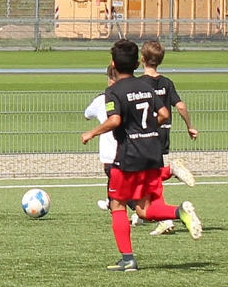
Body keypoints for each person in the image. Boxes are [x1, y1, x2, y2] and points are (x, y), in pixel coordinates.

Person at [81, 39, 202, 272]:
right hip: (153, 152)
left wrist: (91, 132)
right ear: (137, 63)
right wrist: (147, 128)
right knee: (144, 210)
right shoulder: (147, 87)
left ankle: (128, 258)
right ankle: (179, 212)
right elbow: (165, 114)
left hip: (129, 157)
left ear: (113, 64)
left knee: (117, 205)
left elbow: (115, 120)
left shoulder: (113, 91)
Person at [140, 40, 198, 236]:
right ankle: (148, 214)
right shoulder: (166, 83)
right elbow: (180, 106)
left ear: (142, 59)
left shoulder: (139, 84)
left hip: (146, 133)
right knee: (151, 175)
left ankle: (164, 217)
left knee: (148, 175)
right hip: (164, 131)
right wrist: (190, 126)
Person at [84, 64, 119, 212]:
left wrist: (91, 132)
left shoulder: (102, 100)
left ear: (110, 80)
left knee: (120, 192)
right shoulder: (131, 95)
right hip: (135, 149)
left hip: (112, 154)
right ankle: (109, 201)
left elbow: (87, 114)